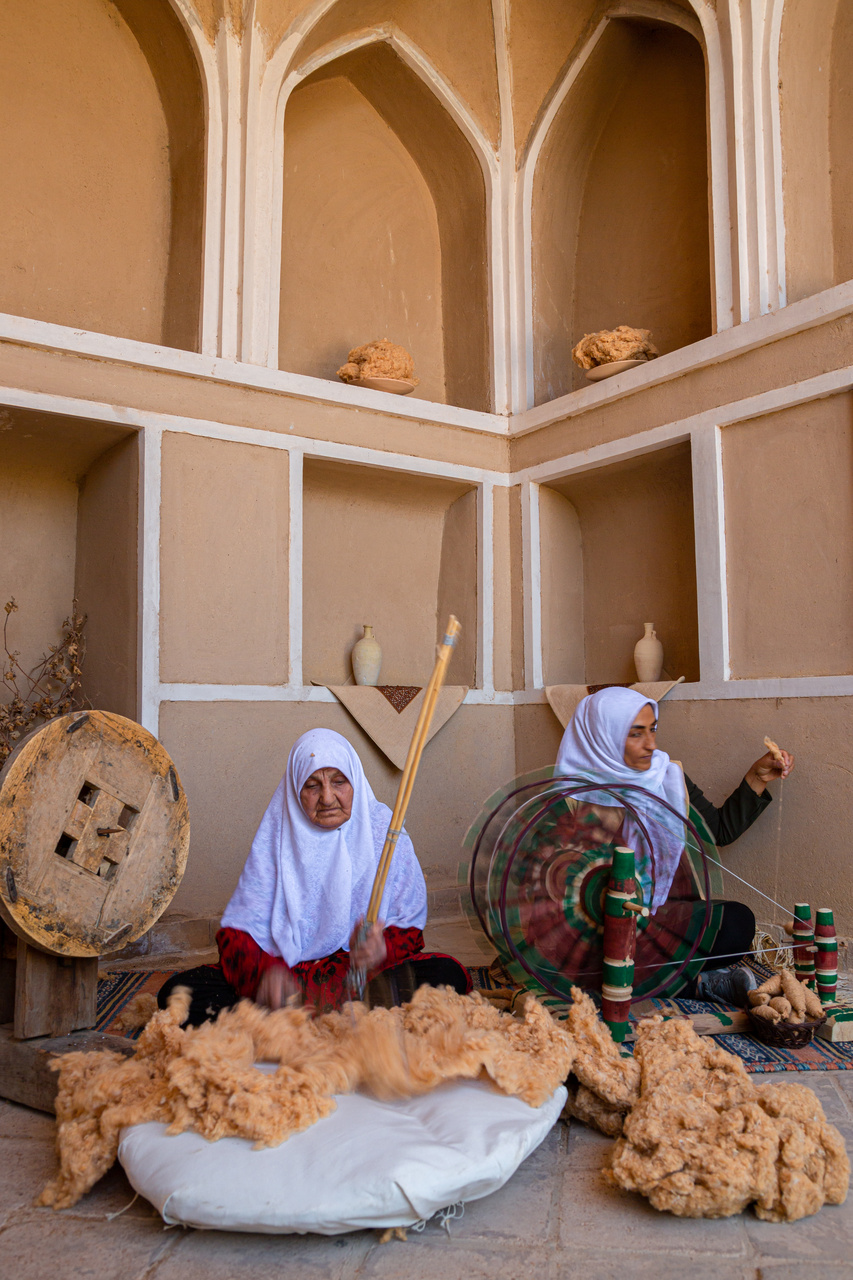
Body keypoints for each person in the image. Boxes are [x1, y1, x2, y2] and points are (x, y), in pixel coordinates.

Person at [158, 728, 470, 1024]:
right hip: (289, 983)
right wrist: (266, 977)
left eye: (339, 782)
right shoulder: (278, 834)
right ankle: (337, 1022)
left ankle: (298, 1026)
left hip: (361, 978)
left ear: (356, 782)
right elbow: (237, 936)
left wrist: (382, 948)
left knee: (446, 976)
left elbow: (410, 931)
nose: (328, 798)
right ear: (295, 789)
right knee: (178, 994)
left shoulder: (383, 831)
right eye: (312, 785)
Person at [555, 686, 794, 1006]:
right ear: (604, 735)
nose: (651, 744)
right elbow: (556, 893)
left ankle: (648, 979)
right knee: (573, 959)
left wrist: (758, 775)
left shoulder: (665, 775)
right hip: (594, 930)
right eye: (635, 734)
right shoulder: (568, 794)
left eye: (653, 729)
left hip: (654, 920)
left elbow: (717, 830)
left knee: (737, 924)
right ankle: (696, 986)